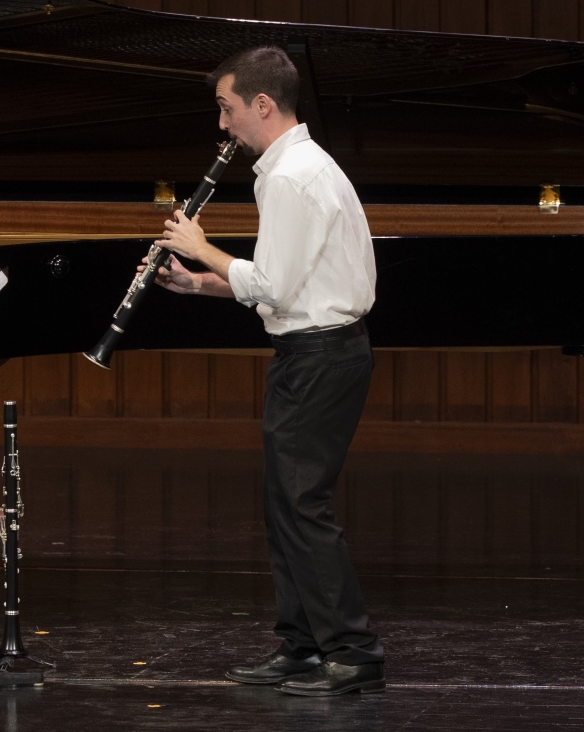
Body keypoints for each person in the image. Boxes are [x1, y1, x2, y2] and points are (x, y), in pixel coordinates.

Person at [152, 44, 384, 697]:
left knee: (302, 505)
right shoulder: (301, 167)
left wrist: (202, 248)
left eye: (226, 108)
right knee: (285, 505)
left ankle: (353, 652)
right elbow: (286, 284)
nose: (222, 124)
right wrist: (200, 283)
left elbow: (276, 286)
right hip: (316, 353)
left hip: (319, 359)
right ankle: (303, 646)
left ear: (261, 104)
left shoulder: (288, 177)